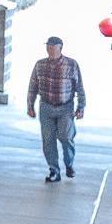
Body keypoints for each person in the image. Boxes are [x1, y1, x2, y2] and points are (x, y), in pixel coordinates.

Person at [26, 35, 85, 183]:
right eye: (48, 47)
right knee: (48, 140)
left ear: (60, 48)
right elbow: (33, 86)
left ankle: (69, 164)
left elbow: (79, 87)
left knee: (65, 137)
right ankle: (54, 170)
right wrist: (30, 105)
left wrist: (81, 107)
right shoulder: (40, 65)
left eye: (53, 47)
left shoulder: (71, 64)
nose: (50, 50)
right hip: (46, 106)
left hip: (65, 107)